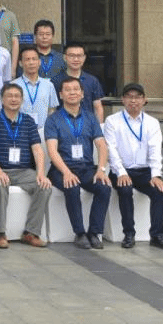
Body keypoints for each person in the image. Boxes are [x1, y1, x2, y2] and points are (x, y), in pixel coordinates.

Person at [103, 83, 163, 249]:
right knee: (125, 190)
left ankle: (157, 235)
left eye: (137, 97)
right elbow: (111, 150)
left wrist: (156, 175)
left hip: (144, 171)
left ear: (144, 100)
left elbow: (155, 151)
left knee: (159, 192)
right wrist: (121, 172)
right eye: (129, 97)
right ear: (123, 100)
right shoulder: (112, 121)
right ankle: (129, 234)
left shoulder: (152, 123)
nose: (133, 101)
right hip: (120, 170)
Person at [45, 77, 112, 250]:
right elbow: (52, 151)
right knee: (72, 186)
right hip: (61, 169)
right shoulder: (53, 119)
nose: (72, 93)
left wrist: (101, 169)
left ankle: (94, 232)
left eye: (76, 89)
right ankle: (80, 233)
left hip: (86, 168)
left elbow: (101, 145)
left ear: (82, 94)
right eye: (68, 90)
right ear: (61, 95)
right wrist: (66, 172)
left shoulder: (90, 118)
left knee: (104, 187)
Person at [0, 83, 51, 249]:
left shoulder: (28, 121)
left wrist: (41, 173)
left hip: (23, 171)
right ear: (2, 99)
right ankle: (0, 234)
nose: (13, 99)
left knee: (44, 186)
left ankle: (31, 233)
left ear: (22, 100)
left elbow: (37, 149)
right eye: (9, 96)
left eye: (17, 96)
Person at [53, 42, 106, 123]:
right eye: (72, 56)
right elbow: (52, 108)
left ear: (84, 58)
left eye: (79, 56)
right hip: (63, 126)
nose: (76, 59)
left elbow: (98, 107)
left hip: (87, 126)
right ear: (65, 57)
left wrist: (99, 126)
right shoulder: (56, 81)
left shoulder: (92, 80)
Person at [12, 46, 59, 130]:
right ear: (20, 63)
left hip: (43, 131)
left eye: (34, 59)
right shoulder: (13, 85)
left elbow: (52, 110)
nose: (31, 62)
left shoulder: (48, 85)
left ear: (39, 62)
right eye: (27, 59)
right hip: (19, 131)